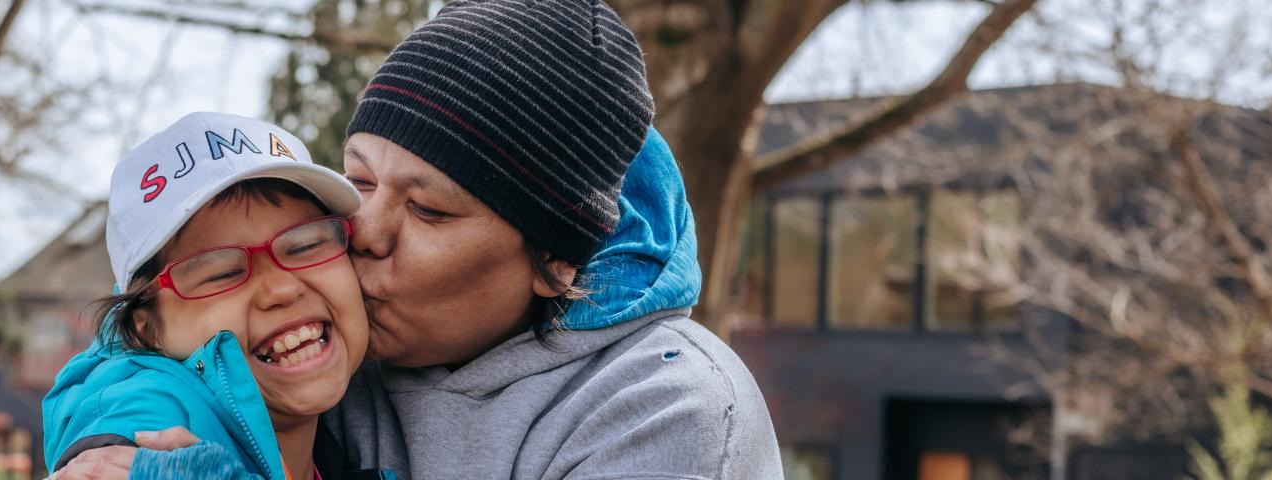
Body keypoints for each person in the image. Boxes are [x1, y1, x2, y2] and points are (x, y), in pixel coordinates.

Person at [63, 0, 782, 477]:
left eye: (430, 210)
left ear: (557, 261)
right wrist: (113, 446)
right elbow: (141, 351)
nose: (362, 235)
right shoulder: (338, 344)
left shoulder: (665, 408)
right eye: (361, 184)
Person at [39, 112, 390, 480]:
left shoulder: (345, 436)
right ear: (145, 330)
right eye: (221, 272)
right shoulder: (149, 429)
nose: (283, 288)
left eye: (306, 245)